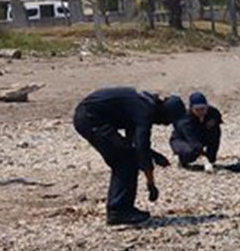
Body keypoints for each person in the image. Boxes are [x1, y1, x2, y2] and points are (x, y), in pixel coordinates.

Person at [73, 88, 186, 225]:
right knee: (125, 161)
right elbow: (141, 149)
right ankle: (119, 211)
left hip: (90, 116)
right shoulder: (145, 111)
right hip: (90, 119)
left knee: (127, 156)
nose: (164, 124)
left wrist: (154, 155)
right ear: (164, 113)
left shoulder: (143, 104)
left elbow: (134, 142)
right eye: (167, 121)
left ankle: (121, 209)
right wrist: (151, 184)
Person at [170, 92, 223, 172]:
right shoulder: (186, 120)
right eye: (197, 109)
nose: (201, 112)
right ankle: (183, 159)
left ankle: (211, 160)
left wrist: (210, 160)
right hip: (182, 140)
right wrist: (204, 158)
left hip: (201, 135)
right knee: (191, 152)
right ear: (191, 108)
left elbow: (217, 122)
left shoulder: (213, 112)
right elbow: (192, 139)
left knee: (215, 131)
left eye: (203, 108)